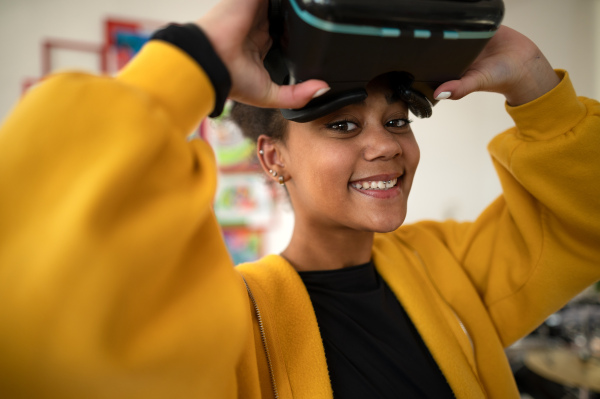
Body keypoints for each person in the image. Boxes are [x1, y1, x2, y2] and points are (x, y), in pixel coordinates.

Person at [0, 0, 598, 397]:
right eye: (342, 126)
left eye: (396, 121)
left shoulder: (446, 265)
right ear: (271, 157)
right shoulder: (235, 322)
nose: (384, 146)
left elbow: (586, 219)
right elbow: (34, 308)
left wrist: (533, 83)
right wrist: (192, 59)